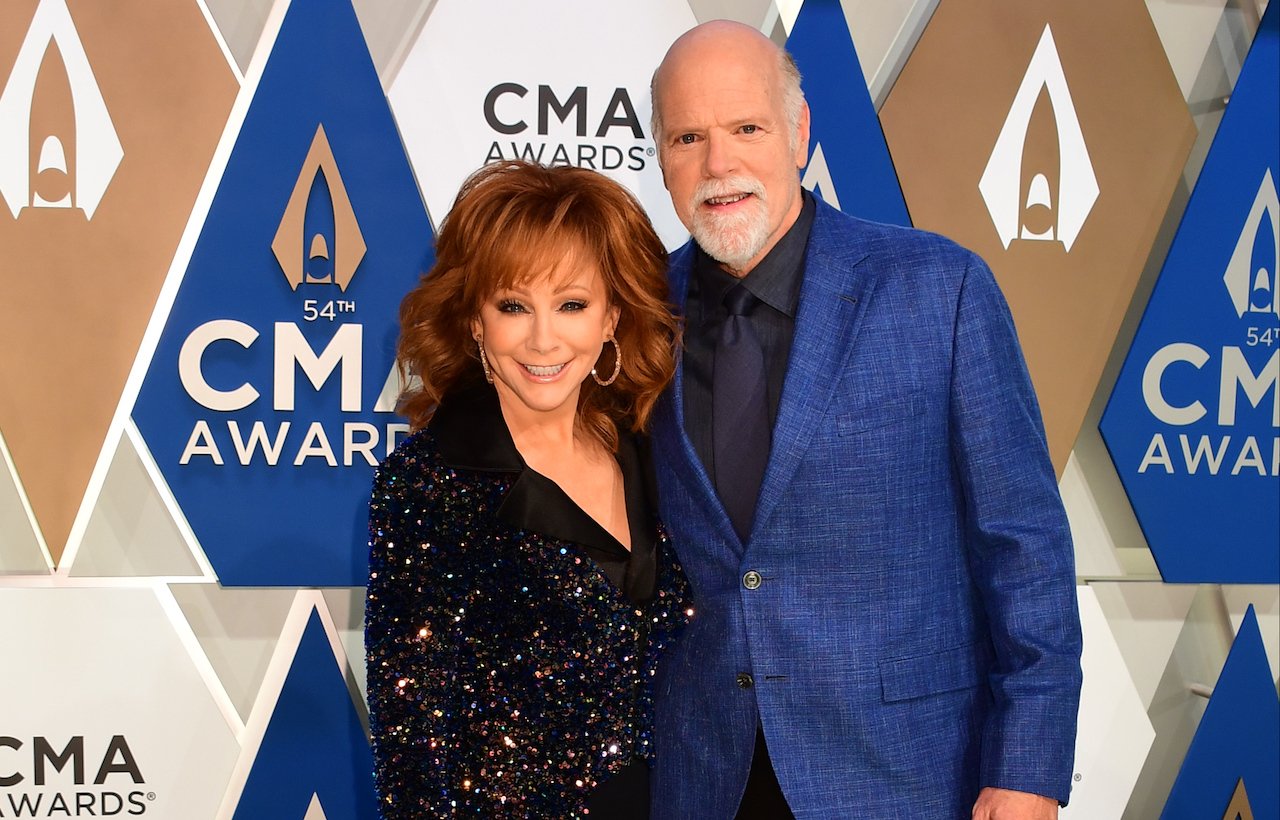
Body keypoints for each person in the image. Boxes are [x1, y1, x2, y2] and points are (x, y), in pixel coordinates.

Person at [645, 21, 1083, 820]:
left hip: (905, 778)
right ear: (661, 156)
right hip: (704, 777)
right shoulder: (635, 312)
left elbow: (1025, 546)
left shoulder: (936, 288)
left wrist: (1029, 767)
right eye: (687, 137)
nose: (719, 164)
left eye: (747, 128)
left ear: (800, 132)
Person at [364, 160, 690, 818]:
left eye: (572, 304)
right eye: (514, 306)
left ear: (611, 318)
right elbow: (412, 735)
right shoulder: (432, 481)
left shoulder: (656, 456)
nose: (544, 339)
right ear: (476, 321)